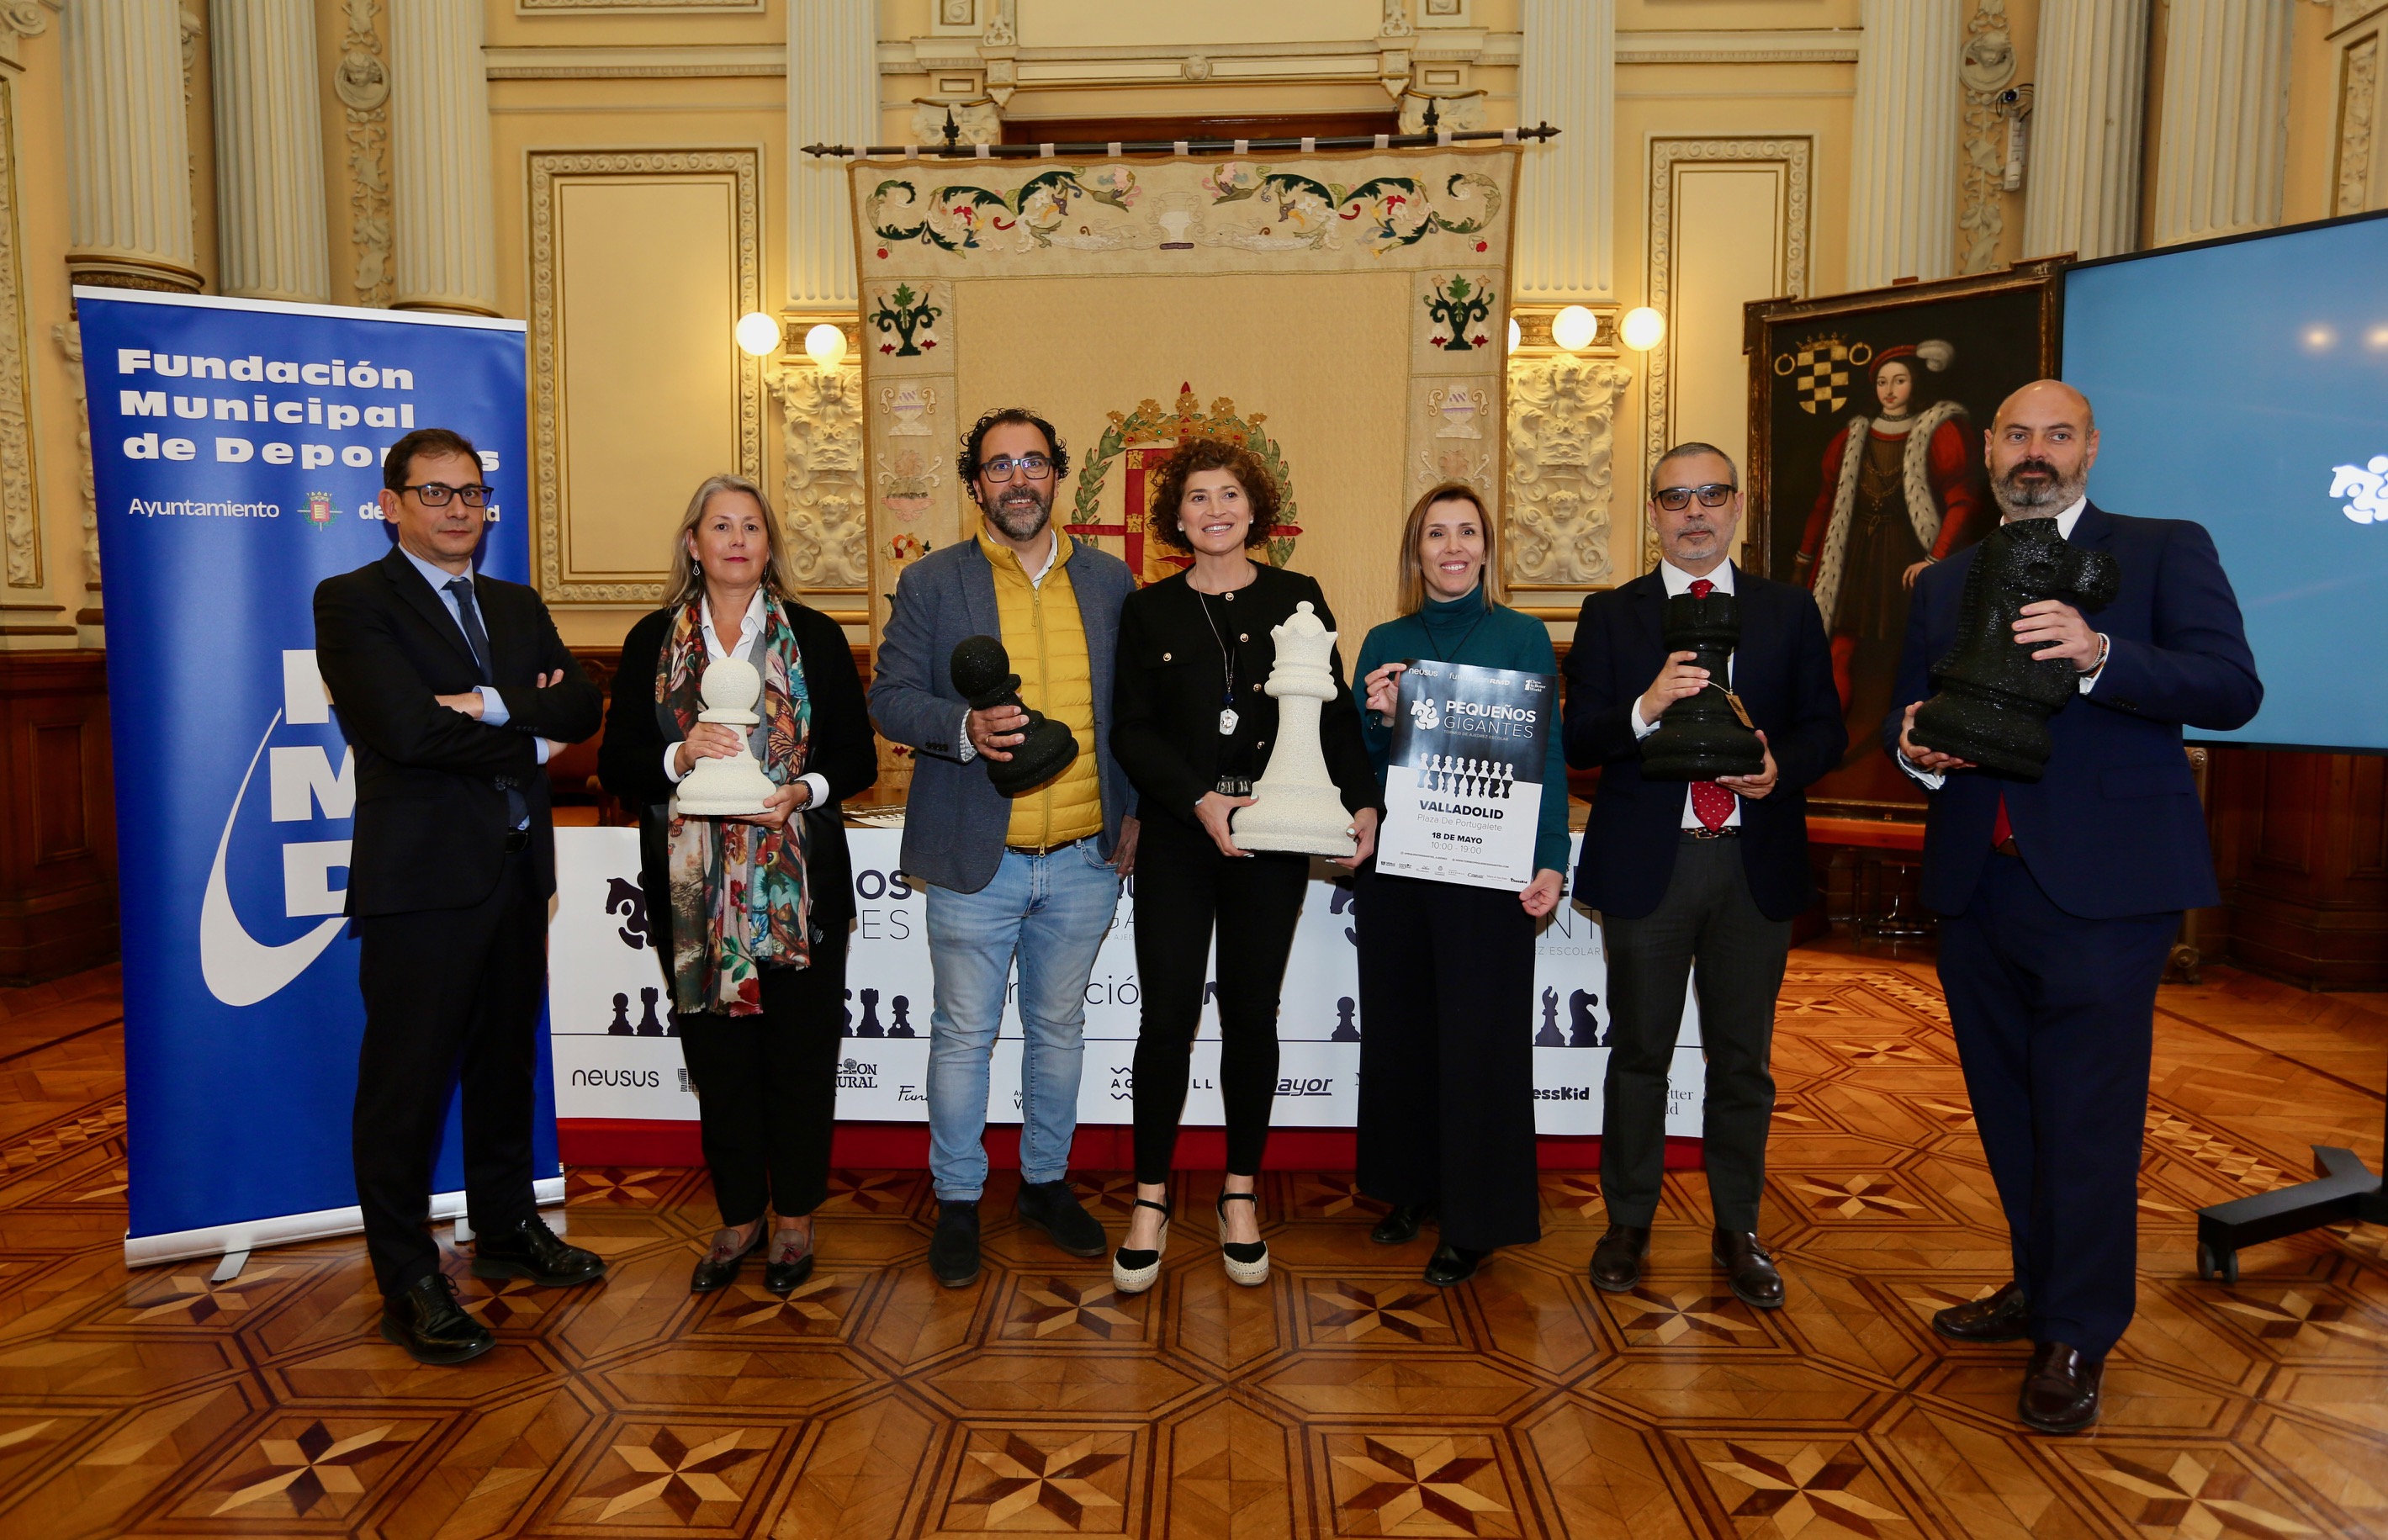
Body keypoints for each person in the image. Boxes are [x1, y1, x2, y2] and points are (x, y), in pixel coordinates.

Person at [1887, 380, 2259, 1433]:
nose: (2034, 451)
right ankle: (2038, 1285)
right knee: (2009, 1110)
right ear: (1989, 451)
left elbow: (2230, 687)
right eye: (2016, 434)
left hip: (2108, 887)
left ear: (2090, 448)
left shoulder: (2159, 549)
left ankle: (2077, 1330)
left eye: (2057, 434)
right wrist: (1913, 748)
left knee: (2086, 1118)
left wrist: (2101, 656)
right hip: (1976, 883)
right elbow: (1908, 709)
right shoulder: (1942, 579)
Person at [314, 426, 606, 1364]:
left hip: (518, 873)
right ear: (390, 504)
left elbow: (581, 708)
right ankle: (407, 1277)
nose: (457, 509)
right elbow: (404, 732)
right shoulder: (353, 600)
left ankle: (508, 1225)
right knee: (404, 1086)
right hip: (423, 881)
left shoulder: (515, 604)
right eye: (434, 492)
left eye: (471, 492)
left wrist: (482, 702)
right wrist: (530, 730)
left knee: (501, 1066)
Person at [1563, 442, 1845, 1310]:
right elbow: (1578, 739)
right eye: (1675, 497)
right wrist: (1645, 707)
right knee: (1638, 1054)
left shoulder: (1787, 610)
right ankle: (1627, 1223)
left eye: (1710, 494)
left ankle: (1738, 1228)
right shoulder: (1611, 614)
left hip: (1751, 865)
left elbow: (1825, 730)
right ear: (1652, 512)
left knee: (1741, 1061)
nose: (1694, 511)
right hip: (1651, 867)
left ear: (1737, 506)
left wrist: (1778, 768)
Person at [867, 407, 1140, 1289]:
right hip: (972, 860)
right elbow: (889, 696)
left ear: (1056, 474)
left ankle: (1044, 1185)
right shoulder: (932, 582)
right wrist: (962, 727)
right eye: (998, 465)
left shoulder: (1109, 580)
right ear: (974, 484)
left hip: (1085, 857)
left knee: (1059, 1031)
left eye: (1032, 462)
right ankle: (957, 1199)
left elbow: (1133, 711)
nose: (1017, 478)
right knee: (963, 1036)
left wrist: (1134, 812)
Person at [1107, 438, 1379, 1292]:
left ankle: (1237, 1193)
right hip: (1180, 835)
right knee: (1166, 1018)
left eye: (1228, 494)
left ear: (1254, 508)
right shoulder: (1148, 610)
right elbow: (1131, 731)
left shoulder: (1300, 598)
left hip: (1275, 837)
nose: (1214, 509)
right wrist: (1199, 800)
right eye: (1197, 497)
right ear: (1176, 517)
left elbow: (1334, 717)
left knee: (1252, 1015)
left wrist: (1363, 801)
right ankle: (1149, 1199)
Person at [596, 474, 876, 1298]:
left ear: (768, 544)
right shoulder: (652, 639)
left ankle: (794, 1216)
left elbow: (856, 758)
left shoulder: (814, 636)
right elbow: (616, 763)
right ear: (694, 543)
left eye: (751, 526)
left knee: (799, 1056)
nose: (737, 540)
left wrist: (802, 792)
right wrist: (677, 756)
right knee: (718, 1062)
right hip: (691, 893)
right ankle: (740, 1213)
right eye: (720, 526)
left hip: (798, 883)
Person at [1352, 483, 1570, 1287]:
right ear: (1415, 552)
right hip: (1401, 870)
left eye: (1467, 533)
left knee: (1480, 1045)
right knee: (1402, 1034)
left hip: (1488, 873)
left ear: (1486, 547)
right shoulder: (1384, 640)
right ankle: (1409, 1188)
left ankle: (1475, 1220)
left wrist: (1551, 857)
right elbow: (1360, 769)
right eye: (1436, 534)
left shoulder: (1521, 635)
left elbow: (1544, 752)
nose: (1452, 548)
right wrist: (1381, 720)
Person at [1794, 343, 1988, 789]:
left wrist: (1935, 559)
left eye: (1899, 380)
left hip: (1909, 558)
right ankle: (1828, 744)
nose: (1890, 390)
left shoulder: (1938, 429)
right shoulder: (1853, 435)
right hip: (1858, 557)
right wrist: (1805, 554)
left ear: (1914, 383)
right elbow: (1826, 501)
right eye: (1882, 381)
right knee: (1840, 650)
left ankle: (1908, 752)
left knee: (1906, 659)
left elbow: (1962, 501)